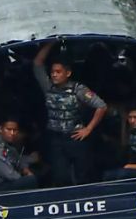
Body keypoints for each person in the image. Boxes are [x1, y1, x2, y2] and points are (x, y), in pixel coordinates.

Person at [34, 42, 108, 186]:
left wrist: (88, 129)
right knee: (61, 176)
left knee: (83, 175)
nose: (54, 75)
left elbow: (102, 106)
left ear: (68, 73)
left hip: (75, 137)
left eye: (58, 72)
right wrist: (51, 42)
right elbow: (37, 63)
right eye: (52, 72)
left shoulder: (78, 89)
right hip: (56, 139)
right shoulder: (48, 87)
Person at [0, 119, 39, 192]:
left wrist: (25, 169)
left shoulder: (8, 147)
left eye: (15, 130)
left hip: (0, 184)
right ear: (0, 129)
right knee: (30, 180)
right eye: (8, 129)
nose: (12, 133)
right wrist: (25, 178)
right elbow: (10, 174)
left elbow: (17, 161)